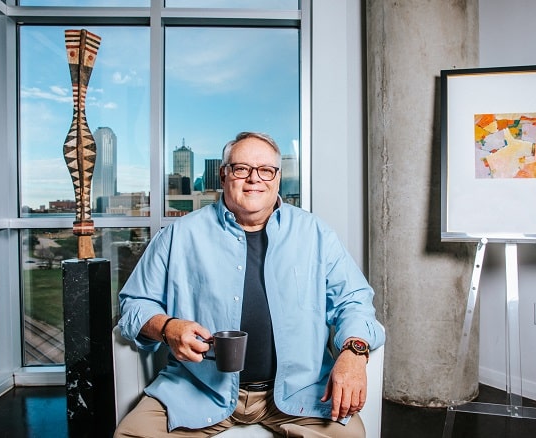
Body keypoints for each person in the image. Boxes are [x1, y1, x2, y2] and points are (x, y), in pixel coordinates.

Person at [115, 132, 385, 437]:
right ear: (224, 174)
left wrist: (354, 351)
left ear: (278, 177)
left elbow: (354, 300)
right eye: (242, 168)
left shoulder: (316, 234)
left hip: (301, 393)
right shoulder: (179, 236)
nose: (254, 179)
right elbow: (134, 304)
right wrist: (167, 327)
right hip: (197, 388)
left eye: (266, 170)